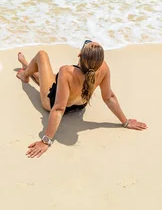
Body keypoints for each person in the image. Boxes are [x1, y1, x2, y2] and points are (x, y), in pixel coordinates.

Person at [16, 40, 147, 159]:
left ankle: (25, 74)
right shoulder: (103, 68)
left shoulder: (66, 71)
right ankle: (27, 66)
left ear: (79, 55)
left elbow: (59, 108)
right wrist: (125, 122)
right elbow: (109, 97)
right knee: (51, 78)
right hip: (80, 105)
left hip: (52, 104)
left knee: (42, 55)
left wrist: (45, 141)